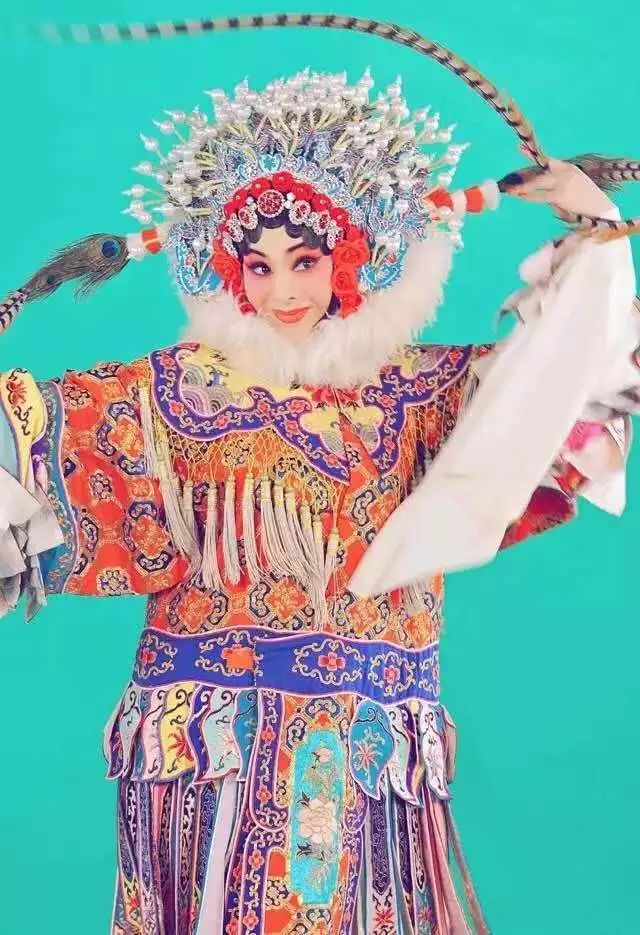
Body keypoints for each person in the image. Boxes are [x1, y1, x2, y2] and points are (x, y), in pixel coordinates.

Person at [0, 69, 638, 935]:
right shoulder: (175, 394)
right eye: (258, 267)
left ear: (356, 256)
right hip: (210, 754)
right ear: (227, 271)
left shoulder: (427, 394)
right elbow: (42, 444)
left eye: (305, 262)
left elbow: (564, 378)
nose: (284, 293)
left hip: (365, 756)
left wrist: (594, 223)